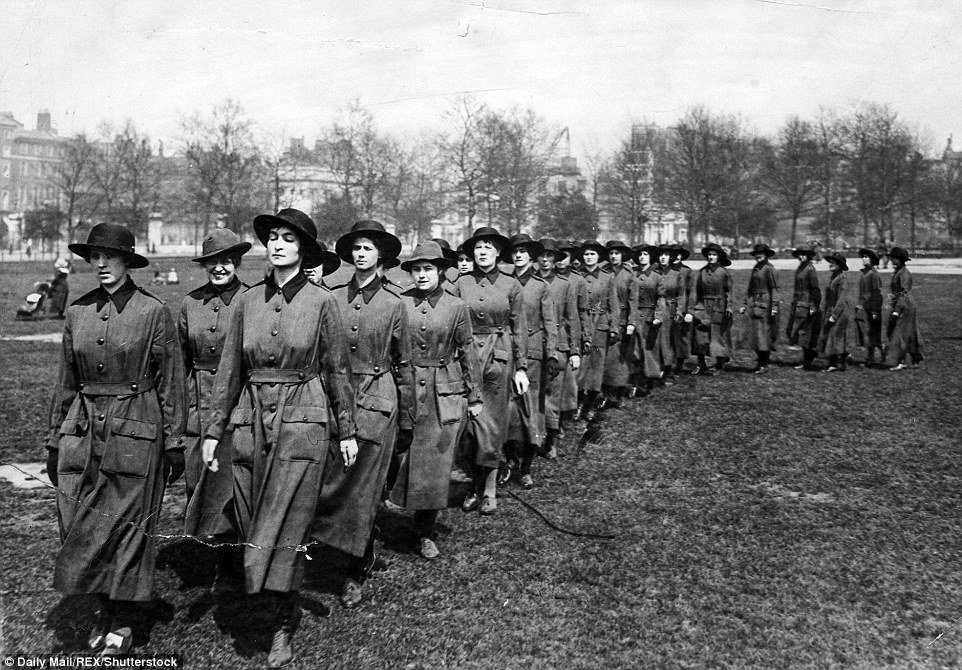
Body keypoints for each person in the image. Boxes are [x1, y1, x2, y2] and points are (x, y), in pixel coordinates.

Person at [201, 208, 356, 668]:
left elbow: (336, 370)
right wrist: (213, 431)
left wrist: (346, 429)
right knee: (251, 520)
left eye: (289, 238)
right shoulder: (246, 301)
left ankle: (282, 625)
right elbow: (230, 371)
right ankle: (269, 602)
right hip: (250, 420)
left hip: (303, 420)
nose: (278, 244)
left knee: (288, 523)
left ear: (304, 249)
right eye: (273, 237)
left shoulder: (322, 301)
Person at [46, 223, 187, 658]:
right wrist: (55, 439)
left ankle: (122, 619)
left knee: (127, 526)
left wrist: (175, 441)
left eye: (111, 256)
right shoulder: (78, 311)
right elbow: (66, 380)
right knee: (79, 520)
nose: (102, 264)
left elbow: (171, 382)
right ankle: (101, 608)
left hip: (136, 426)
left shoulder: (153, 311)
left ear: (128, 260)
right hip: (83, 429)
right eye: (95, 257)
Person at [313, 219, 414, 608]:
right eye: (356, 247)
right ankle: (332, 547)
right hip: (334, 396)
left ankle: (355, 567)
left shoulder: (395, 302)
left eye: (368, 248)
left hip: (377, 400)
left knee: (365, 486)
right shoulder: (331, 297)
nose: (360, 254)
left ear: (382, 256)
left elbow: (405, 365)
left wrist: (407, 418)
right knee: (331, 475)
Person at [388, 241, 482, 558]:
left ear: (441, 271)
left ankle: (424, 531)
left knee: (436, 464)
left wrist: (475, 394)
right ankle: (377, 518)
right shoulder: (399, 303)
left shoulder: (457, 307)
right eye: (417, 269)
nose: (422, 274)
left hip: (444, 392)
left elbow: (468, 351)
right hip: (406, 387)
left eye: (428, 268)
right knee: (395, 452)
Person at [178, 229, 252, 588]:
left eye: (226, 261)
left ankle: (233, 565)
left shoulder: (252, 300)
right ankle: (215, 557)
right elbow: (179, 364)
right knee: (200, 481)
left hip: (239, 405)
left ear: (236, 263)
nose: (219, 268)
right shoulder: (191, 303)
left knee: (233, 485)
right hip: (199, 405)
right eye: (212, 262)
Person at [452, 226, 528, 515]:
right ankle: (472, 484)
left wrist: (520, 367)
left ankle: (490, 490)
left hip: (498, 357)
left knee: (493, 425)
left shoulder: (511, 285)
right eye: (477, 247)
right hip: (467, 356)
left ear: (498, 252)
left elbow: (519, 328)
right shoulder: (461, 283)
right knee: (470, 426)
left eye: (487, 247)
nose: (481, 252)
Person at [502, 234, 560, 489]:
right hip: (505, 352)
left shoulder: (540, 286)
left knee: (531, 411)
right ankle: (508, 459)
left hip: (534, 354)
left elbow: (550, 323)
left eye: (523, 251)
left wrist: (553, 354)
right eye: (515, 252)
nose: (518, 256)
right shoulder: (502, 283)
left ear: (531, 256)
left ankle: (526, 467)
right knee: (507, 411)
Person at [537, 239, 580, 460]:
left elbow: (572, 318)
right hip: (534, 343)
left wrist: (574, 350)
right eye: (542, 256)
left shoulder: (564, 284)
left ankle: (550, 441)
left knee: (552, 397)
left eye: (549, 256)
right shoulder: (529, 281)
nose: (545, 260)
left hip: (559, 345)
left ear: (556, 259)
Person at [574, 240, 618, 421]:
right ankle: (577, 404)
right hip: (582, 325)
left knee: (596, 368)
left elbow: (614, 305)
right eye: (586, 254)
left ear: (599, 257)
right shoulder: (577, 276)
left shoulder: (607, 278)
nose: (589, 257)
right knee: (580, 368)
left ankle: (590, 405)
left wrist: (613, 328)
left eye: (592, 254)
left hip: (600, 326)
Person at [556, 240, 590, 426]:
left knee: (569, 380)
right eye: (558, 257)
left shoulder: (578, 280)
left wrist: (586, 336)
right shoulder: (546, 278)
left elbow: (582, 312)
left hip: (571, 332)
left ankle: (564, 418)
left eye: (565, 257)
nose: (561, 261)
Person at [687, 242, 733, 375]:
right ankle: (701, 364)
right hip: (703, 307)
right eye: (709, 255)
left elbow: (729, 291)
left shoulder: (723, 272)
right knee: (700, 336)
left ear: (718, 256)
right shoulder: (701, 272)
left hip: (719, 306)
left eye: (714, 255)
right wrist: (692, 309)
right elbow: (695, 292)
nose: (711, 257)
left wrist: (729, 307)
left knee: (717, 336)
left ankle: (719, 364)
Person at [602, 241, 638, 406]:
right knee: (606, 360)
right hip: (605, 320)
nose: (613, 256)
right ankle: (606, 394)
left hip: (623, 321)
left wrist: (631, 322)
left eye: (616, 253)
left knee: (621, 360)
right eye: (611, 253)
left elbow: (633, 301)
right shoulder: (604, 272)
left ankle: (619, 394)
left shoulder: (629, 275)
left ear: (622, 255)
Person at [739, 243, 780, 374]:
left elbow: (775, 289)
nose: (758, 256)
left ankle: (764, 364)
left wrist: (774, 306)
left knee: (764, 335)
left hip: (766, 304)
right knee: (756, 335)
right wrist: (745, 303)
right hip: (755, 303)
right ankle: (760, 361)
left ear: (766, 255)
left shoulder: (770, 269)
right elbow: (750, 288)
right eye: (756, 254)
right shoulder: (756, 268)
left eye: (761, 254)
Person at [631, 244, 666, 396]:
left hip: (650, 317)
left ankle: (649, 383)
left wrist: (658, 317)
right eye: (640, 254)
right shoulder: (633, 274)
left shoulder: (658, 277)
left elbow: (661, 298)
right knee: (634, 350)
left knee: (649, 350)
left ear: (651, 257)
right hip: (634, 314)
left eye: (645, 254)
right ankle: (635, 383)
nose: (642, 257)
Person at [885, 246, 924, 370]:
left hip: (905, 305)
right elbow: (895, 292)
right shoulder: (898, 272)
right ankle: (915, 357)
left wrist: (896, 311)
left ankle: (899, 361)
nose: (891, 259)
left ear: (900, 260)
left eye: (894, 258)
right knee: (909, 332)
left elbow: (903, 293)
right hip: (900, 304)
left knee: (899, 332)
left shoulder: (904, 274)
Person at [786, 246, 822, 371]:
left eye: (804, 254)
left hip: (807, 305)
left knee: (804, 335)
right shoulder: (800, 268)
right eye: (800, 254)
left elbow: (816, 290)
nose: (801, 256)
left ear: (809, 256)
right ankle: (811, 354)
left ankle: (807, 360)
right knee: (795, 333)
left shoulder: (810, 269)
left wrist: (814, 306)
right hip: (798, 304)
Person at [818, 252, 853, 372]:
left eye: (834, 263)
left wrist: (834, 315)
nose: (831, 264)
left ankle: (841, 363)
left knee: (837, 337)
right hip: (832, 310)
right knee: (832, 337)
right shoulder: (834, 277)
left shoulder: (842, 279)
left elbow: (841, 300)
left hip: (840, 312)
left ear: (839, 265)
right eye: (830, 262)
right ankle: (834, 363)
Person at [655, 246, 685, 380]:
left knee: (668, 340)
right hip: (655, 309)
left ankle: (667, 369)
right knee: (656, 339)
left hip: (670, 310)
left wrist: (679, 311)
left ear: (670, 257)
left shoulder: (677, 274)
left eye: (666, 255)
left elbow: (681, 295)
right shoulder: (653, 272)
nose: (663, 257)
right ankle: (656, 367)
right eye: (661, 254)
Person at [666, 244, 694, 374]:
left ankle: (679, 365)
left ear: (681, 256)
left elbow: (691, 293)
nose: (676, 256)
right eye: (673, 253)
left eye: (678, 253)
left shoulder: (687, 271)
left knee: (681, 337)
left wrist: (689, 311)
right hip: (668, 307)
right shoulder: (666, 270)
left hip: (682, 306)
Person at [854, 248, 884, 366]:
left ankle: (876, 356)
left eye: (866, 257)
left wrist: (875, 310)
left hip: (872, 308)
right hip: (864, 307)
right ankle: (872, 357)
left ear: (872, 260)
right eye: (863, 256)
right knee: (868, 333)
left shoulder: (873, 274)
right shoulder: (865, 273)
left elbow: (877, 293)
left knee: (873, 333)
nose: (863, 258)